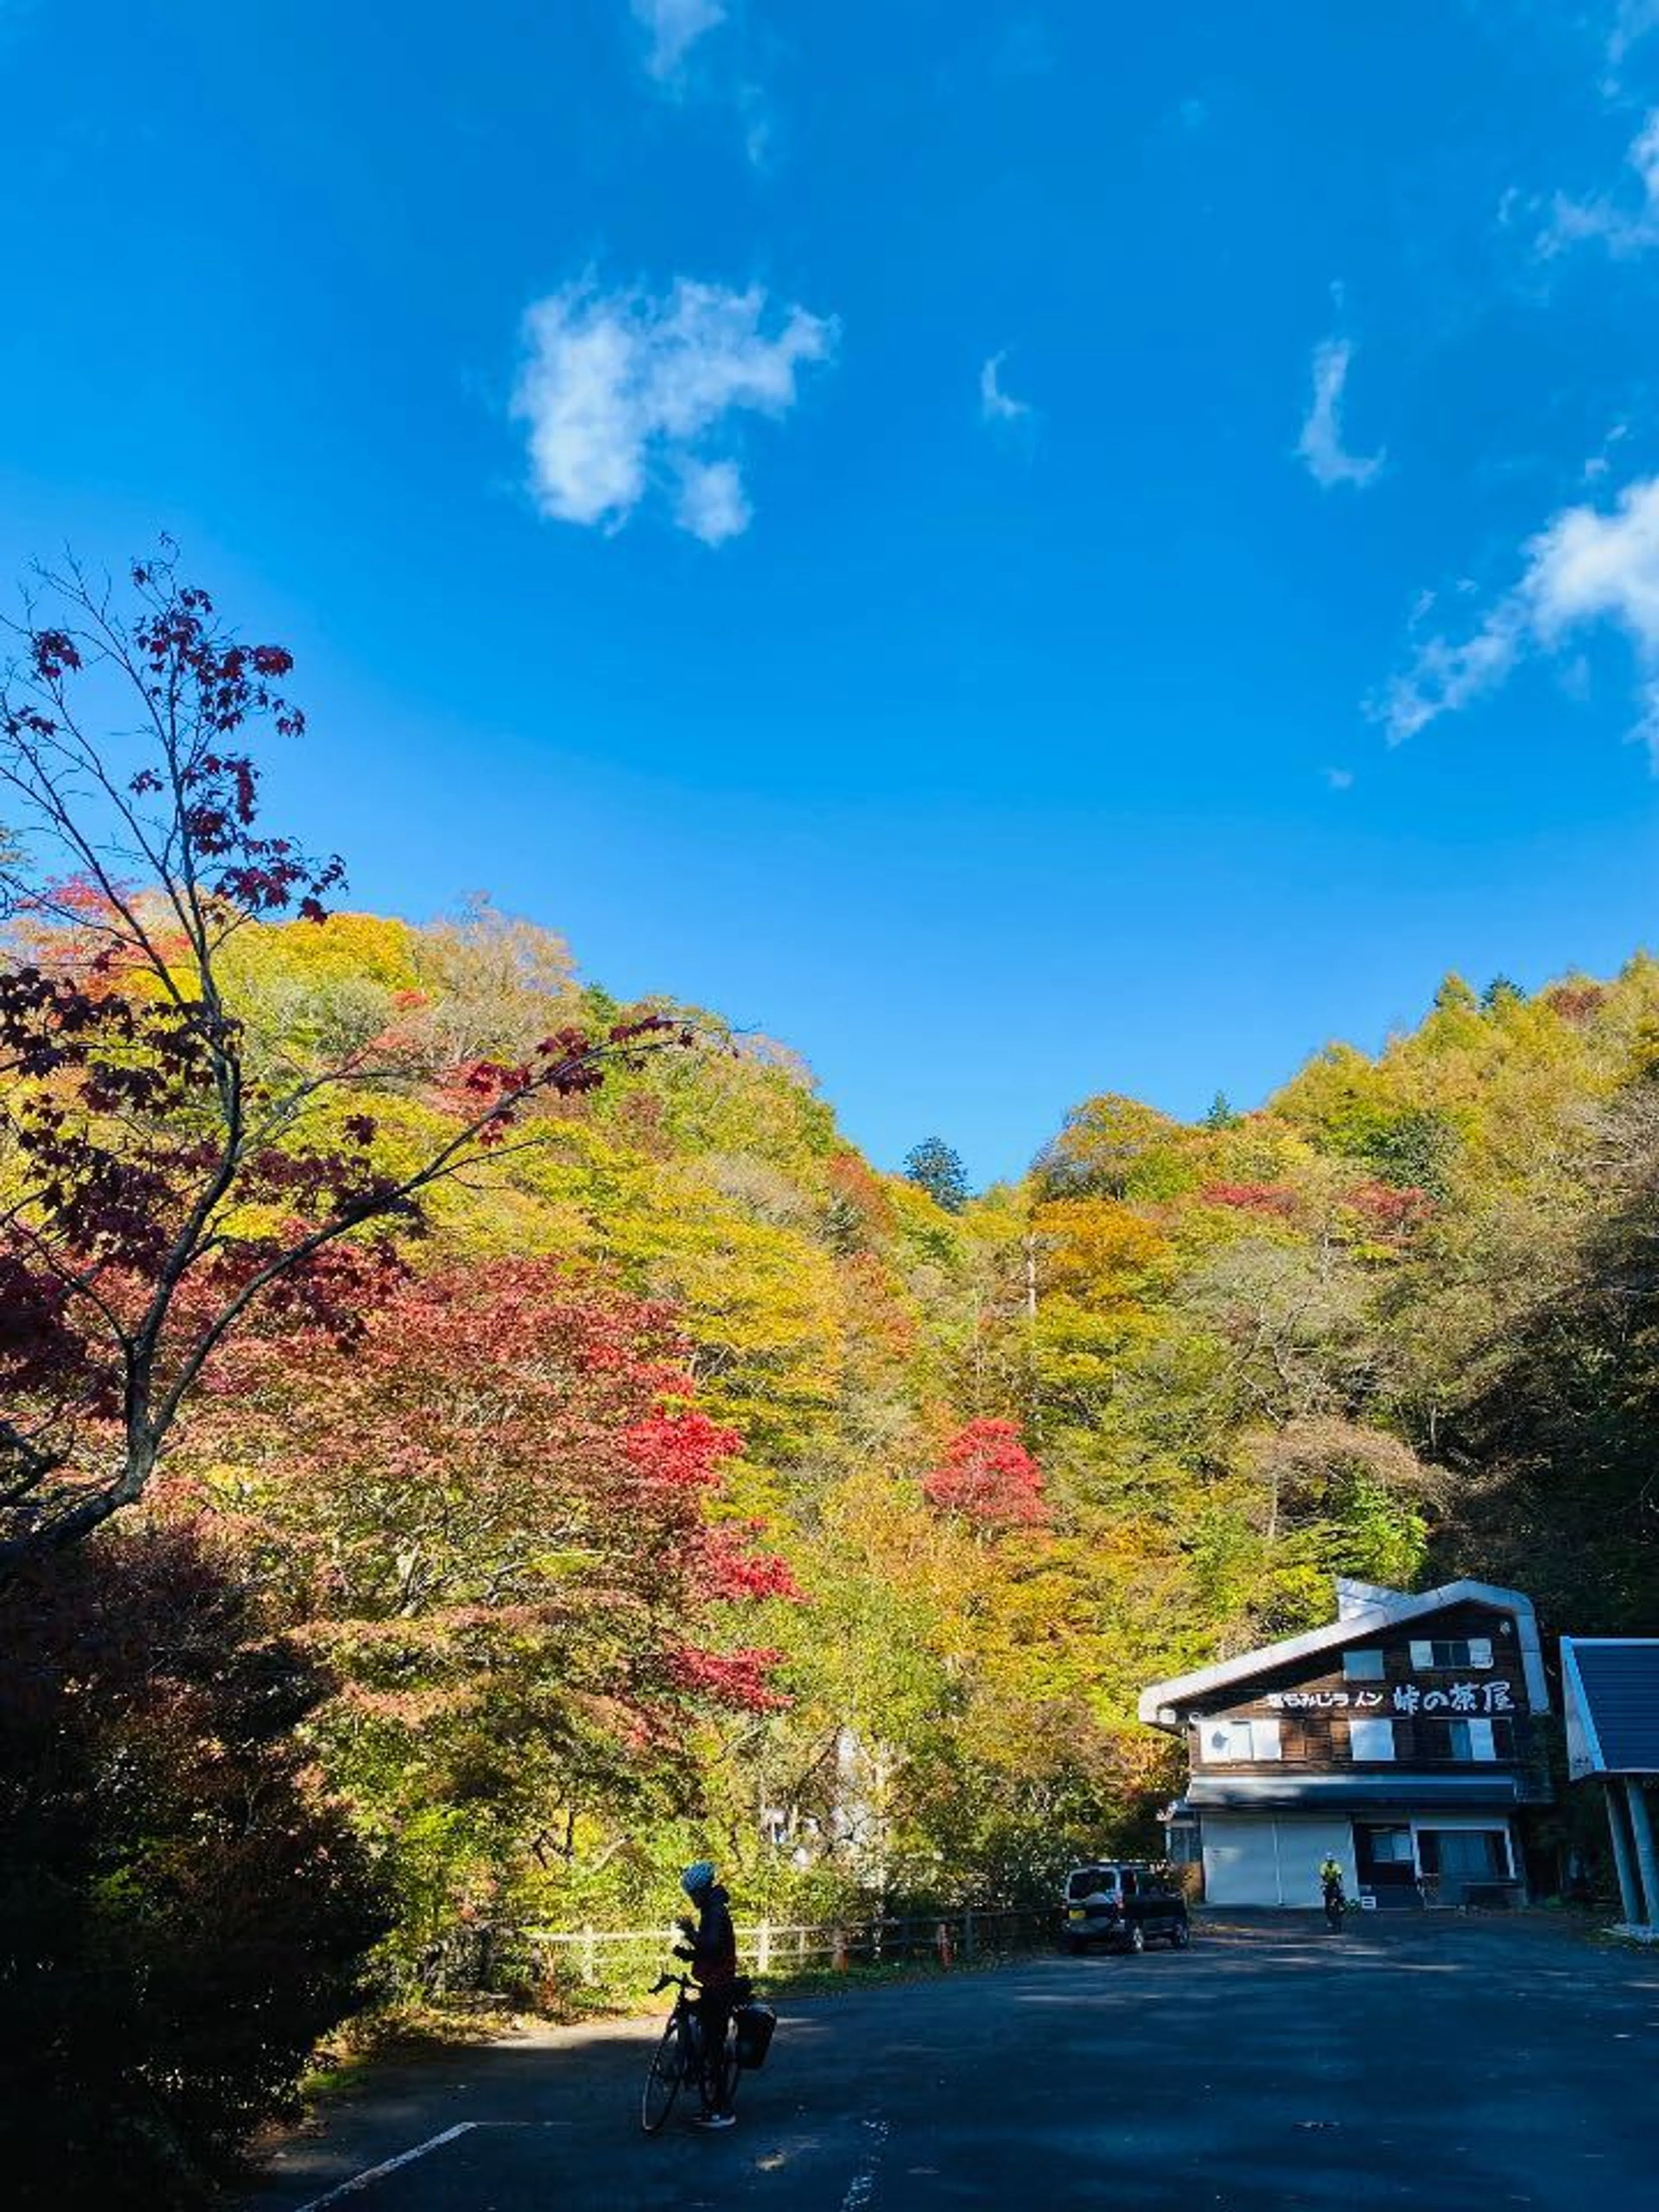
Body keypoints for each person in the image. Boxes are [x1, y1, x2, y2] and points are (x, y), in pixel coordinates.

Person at [675, 1861, 739, 2129]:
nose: (692, 1900)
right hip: (714, 1983)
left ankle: (721, 2109)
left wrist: (691, 1934)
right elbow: (710, 1949)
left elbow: (712, 1946)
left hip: (719, 1987)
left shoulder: (715, 1913)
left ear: (701, 1891)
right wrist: (689, 1953)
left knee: (713, 2047)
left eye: (692, 1894)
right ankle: (710, 2097)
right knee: (709, 2041)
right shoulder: (713, 1910)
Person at [1320, 1855, 1346, 1930]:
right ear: (1326, 1861)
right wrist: (1324, 1884)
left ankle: (1341, 1905)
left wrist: (1341, 1885)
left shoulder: (1337, 1866)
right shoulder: (1323, 1866)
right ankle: (1330, 1921)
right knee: (1327, 1903)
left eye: (1331, 1861)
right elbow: (1323, 1876)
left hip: (1335, 1882)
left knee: (1340, 1894)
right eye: (1328, 1861)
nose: (1330, 1863)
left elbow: (1339, 1876)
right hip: (1327, 1882)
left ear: (1333, 1861)